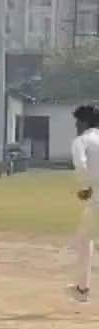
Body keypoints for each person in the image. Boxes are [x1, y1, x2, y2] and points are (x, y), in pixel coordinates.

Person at [69, 105, 99, 302]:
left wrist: (85, 186)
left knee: (83, 240)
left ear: (84, 122)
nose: (75, 126)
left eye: (77, 122)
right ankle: (81, 288)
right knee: (85, 237)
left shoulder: (82, 140)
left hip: (97, 198)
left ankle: (82, 289)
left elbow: (80, 164)